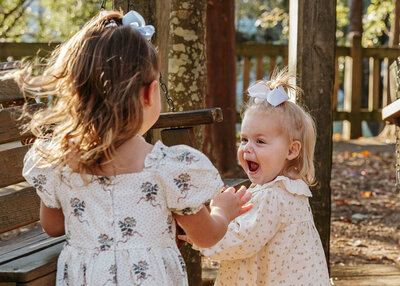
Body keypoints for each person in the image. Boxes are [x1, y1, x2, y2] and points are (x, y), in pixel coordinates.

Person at [15, 10, 252, 286]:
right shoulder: (167, 167)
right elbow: (206, 236)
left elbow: (53, 226)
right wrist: (224, 211)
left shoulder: (60, 162)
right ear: (151, 93)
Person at [181, 68, 330, 285]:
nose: (248, 148)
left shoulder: (272, 196)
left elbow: (240, 241)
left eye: (260, 141)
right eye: (244, 139)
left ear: (291, 150)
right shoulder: (289, 189)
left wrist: (203, 230)